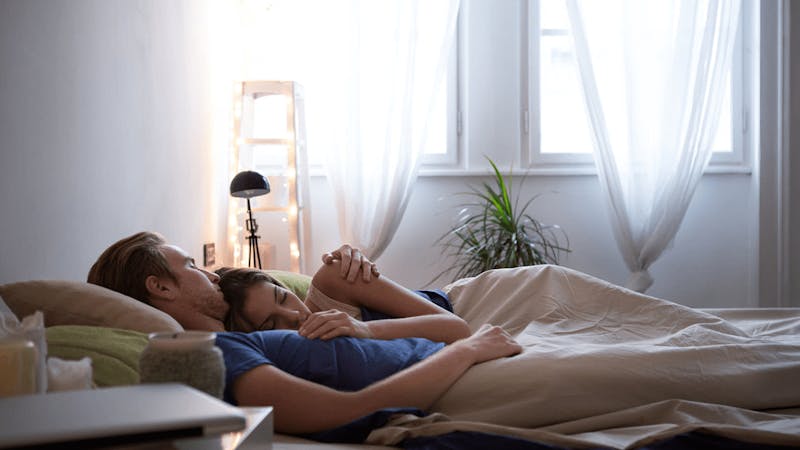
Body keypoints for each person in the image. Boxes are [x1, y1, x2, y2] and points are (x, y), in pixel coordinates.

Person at [87, 231, 522, 435]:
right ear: (160, 286)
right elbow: (344, 409)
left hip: (465, 309)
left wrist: (359, 316)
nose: (209, 274)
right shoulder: (226, 346)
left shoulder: (322, 293)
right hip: (454, 356)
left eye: (282, 300)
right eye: (190, 265)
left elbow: (454, 326)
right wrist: (464, 352)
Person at [215, 265, 470, 343]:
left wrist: (364, 330)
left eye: (283, 297)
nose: (293, 315)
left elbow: (457, 329)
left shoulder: (333, 280)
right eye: (272, 323)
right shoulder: (300, 355)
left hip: (470, 304)